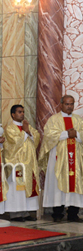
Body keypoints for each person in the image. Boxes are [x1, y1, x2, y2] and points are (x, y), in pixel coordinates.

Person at [39, 95, 83, 223]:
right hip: (58, 158)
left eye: (71, 104)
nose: (69, 106)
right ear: (61, 104)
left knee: (75, 183)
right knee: (57, 183)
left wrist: (77, 134)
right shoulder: (54, 119)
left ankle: (73, 214)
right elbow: (48, 135)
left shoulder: (78, 120)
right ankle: (57, 213)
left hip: (75, 157)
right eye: (67, 104)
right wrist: (65, 134)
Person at [3, 104, 40, 222]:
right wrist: (25, 132)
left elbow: (37, 137)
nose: (22, 114)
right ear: (13, 114)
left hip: (29, 163)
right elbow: (13, 144)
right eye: (19, 112)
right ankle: (15, 213)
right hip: (16, 164)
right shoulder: (9, 128)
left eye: (23, 112)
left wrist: (28, 131)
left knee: (28, 187)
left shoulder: (27, 127)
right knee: (17, 188)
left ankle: (26, 212)